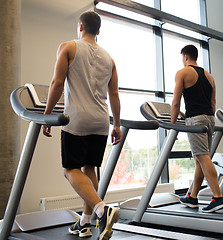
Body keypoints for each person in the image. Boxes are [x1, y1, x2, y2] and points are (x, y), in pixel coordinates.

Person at [43, 11, 121, 240]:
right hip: (101, 121)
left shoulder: (68, 47)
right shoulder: (109, 58)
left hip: (77, 119)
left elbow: (57, 83)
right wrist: (116, 124)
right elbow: (114, 94)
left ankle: (101, 209)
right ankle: (85, 223)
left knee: (70, 169)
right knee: (89, 168)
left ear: (80, 27)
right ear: (98, 31)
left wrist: (47, 116)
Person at [171, 44, 223, 213]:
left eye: (182, 58)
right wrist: (213, 124)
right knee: (199, 159)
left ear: (185, 57)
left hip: (195, 119)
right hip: (209, 118)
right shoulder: (209, 76)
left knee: (202, 157)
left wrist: (172, 127)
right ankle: (192, 196)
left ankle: (218, 196)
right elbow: (213, 102)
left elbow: (176, 101)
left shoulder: (182, 73)